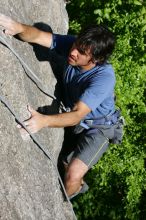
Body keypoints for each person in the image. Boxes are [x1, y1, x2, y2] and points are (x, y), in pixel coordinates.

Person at [0, 14, 122, 199]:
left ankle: (69, 198)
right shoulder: (76, 46)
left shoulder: (103, 78)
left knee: (72, 174)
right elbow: (39, 36)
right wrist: (19, 27)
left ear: (96, 59)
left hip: (99, 128)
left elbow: (77, 114)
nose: (73, 52)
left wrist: (43, 121)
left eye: (81, 53)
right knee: (64, 161)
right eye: (76, 45)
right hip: (78, 118)